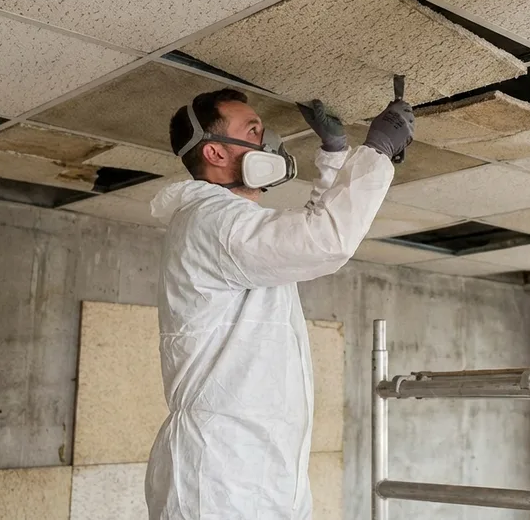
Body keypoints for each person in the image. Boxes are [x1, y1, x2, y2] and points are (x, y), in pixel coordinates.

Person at [145, 88, 415, 520]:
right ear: (215, 152)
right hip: (219, 478)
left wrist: (334, 153)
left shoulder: (226, 222)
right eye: (253, 131)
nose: (268, 141)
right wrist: (376, 151)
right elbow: (323, 240)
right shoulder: (215, 223)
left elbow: (303, 232)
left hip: (253, 465)